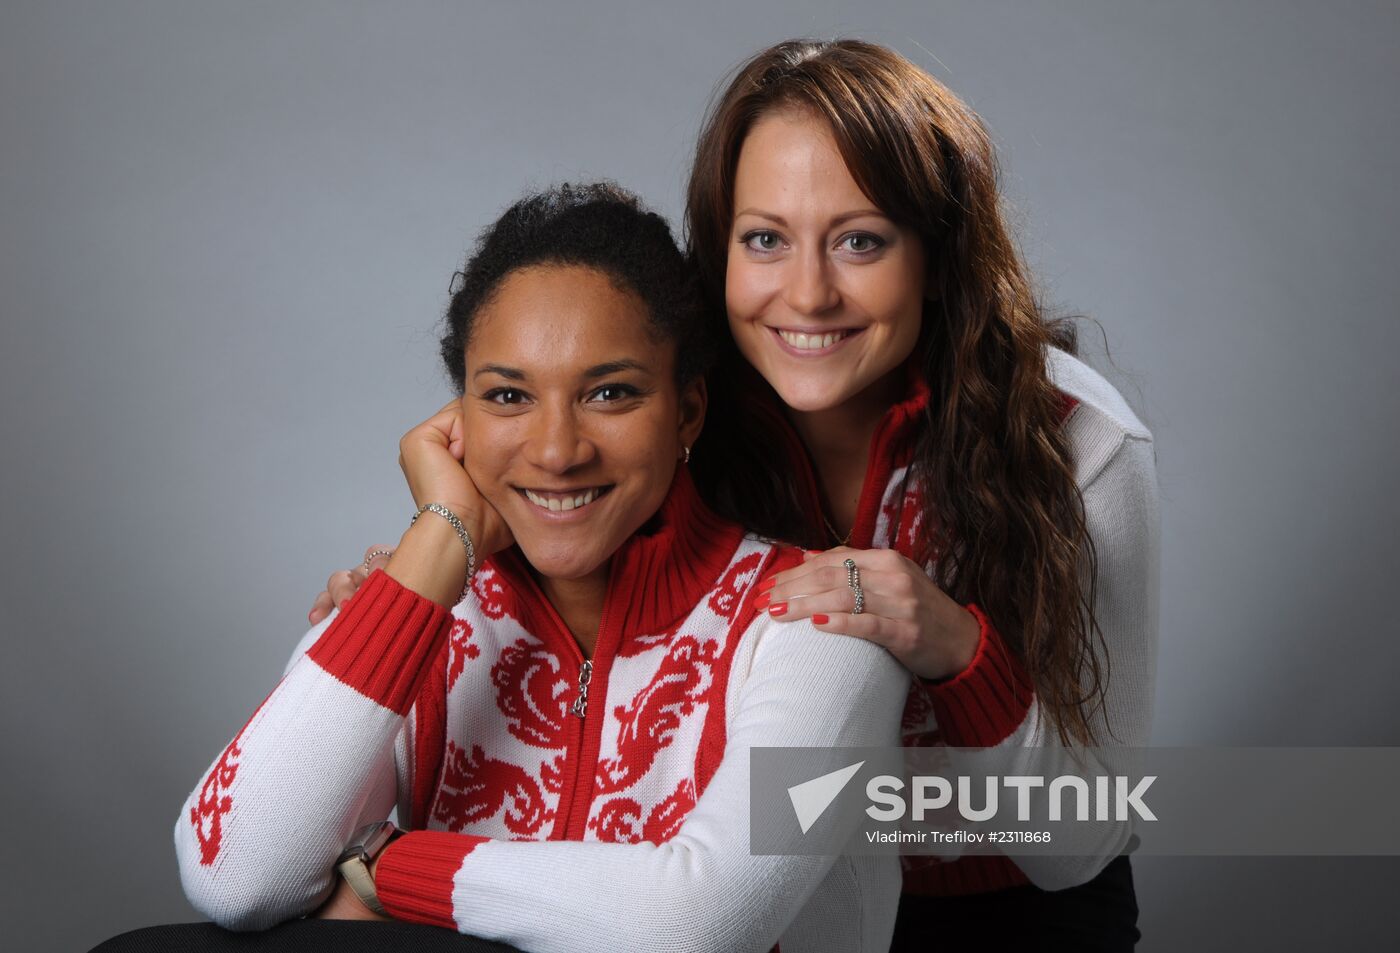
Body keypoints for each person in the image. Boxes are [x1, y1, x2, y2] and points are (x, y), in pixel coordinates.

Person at [313, 39, 1159, 951]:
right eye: (765, 240)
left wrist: (953, 646)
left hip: (1012, 908)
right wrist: (408, 586)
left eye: (860, 241)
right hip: (768, 908)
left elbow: (1084, 840)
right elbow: (527, 464)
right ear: (721, 250)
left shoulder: (1075, 440)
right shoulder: (668, 410)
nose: (807, 293)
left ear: (936, 253)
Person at [171, 183, 909, 953]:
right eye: (509, 395)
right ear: (459, 419)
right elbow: (233, 872)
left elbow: (692, 926)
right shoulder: (422, 609)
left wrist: (381, 865)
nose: (557, 450)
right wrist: (435, 547)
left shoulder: (823, 627)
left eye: (611, 393)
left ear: (687, 410)